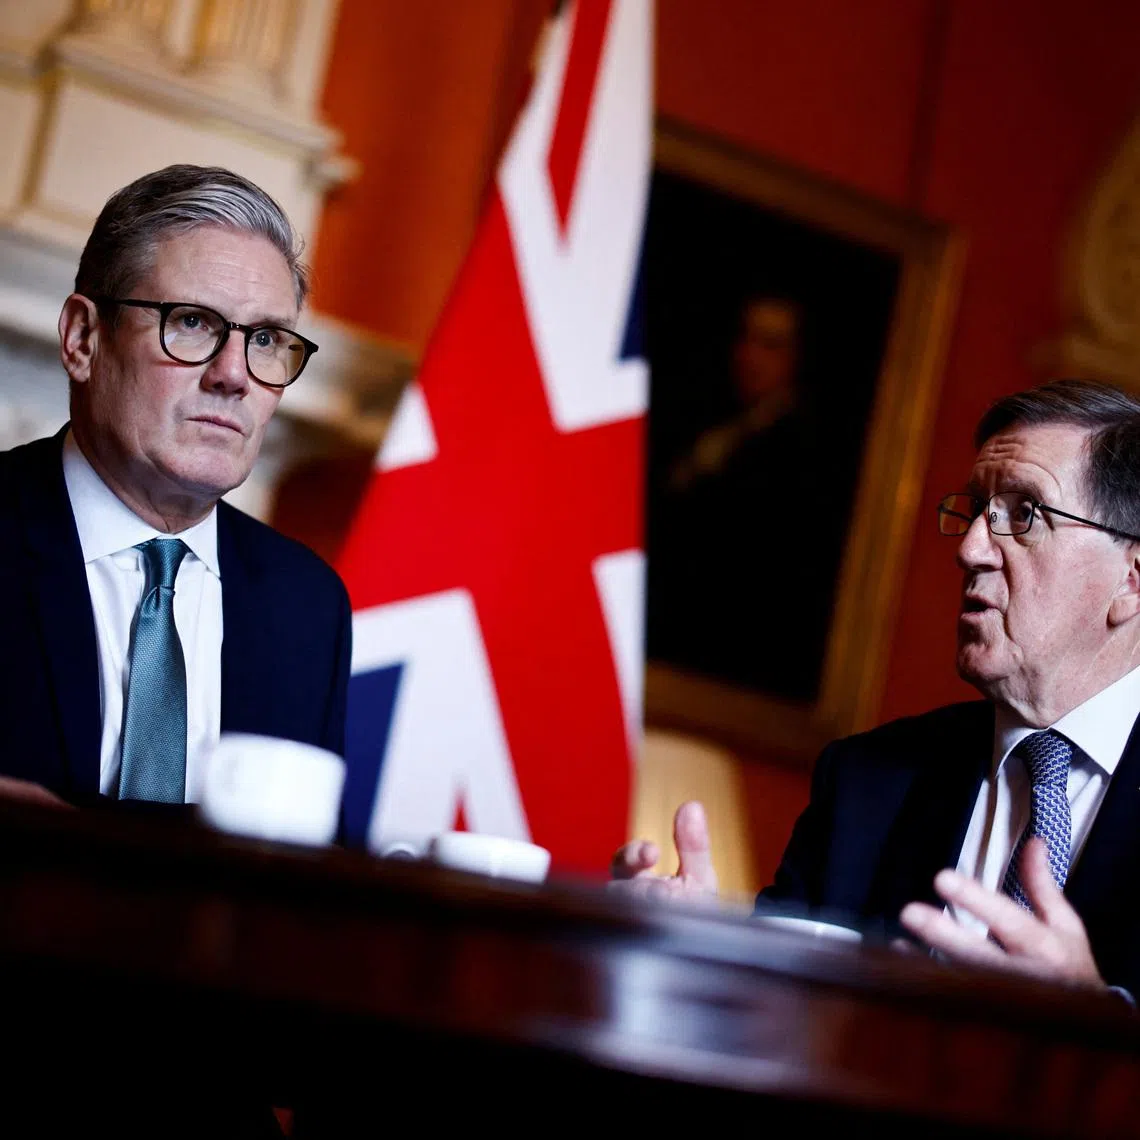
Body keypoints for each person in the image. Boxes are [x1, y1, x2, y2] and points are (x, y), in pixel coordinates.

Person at [618, 379, 1140, 1000]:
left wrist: (1093, 1022)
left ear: (1132, 578)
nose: (971, 548)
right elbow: (779, 1023)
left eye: (1024, 514)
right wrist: (702, 955)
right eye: (975, 510)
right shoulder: (867, 782)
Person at [0, 164, 351, 813]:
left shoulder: (308, 606)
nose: (232, 376)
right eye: (191, 322)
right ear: (83, 338)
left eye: (266, 339)